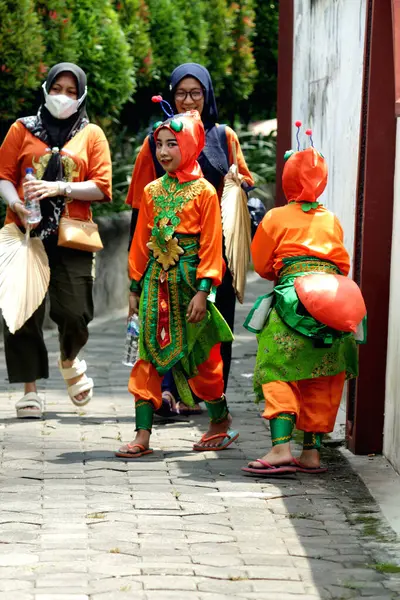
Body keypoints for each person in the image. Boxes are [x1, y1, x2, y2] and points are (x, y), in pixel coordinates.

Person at [126, 63, 254, 415]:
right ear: (170, 96)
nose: (188, 100)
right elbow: (141, 203)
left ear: (207, 95)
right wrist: (134, 274)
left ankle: (209, 398)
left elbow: (243, 179)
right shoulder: (158, 138)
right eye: (180, 93)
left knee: (212, 325)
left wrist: (235, 184)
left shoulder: (223, 136)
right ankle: (166, 393)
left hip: (216, 245)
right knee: (163, 320)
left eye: (195, 92)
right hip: (166, 251)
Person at [116, 109, 239, 458]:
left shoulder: (205, 193)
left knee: (202, 360)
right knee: (147, 357)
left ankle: (219, 420)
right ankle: (142, 435)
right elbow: (141, 242)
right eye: (159, 144)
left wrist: (204, 291)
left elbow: (213, 246)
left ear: (192, 143)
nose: (165, 152)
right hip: (156, 286)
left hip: (189, 288)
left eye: (173, 143)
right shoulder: (152, 191)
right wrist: (134, 288)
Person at [242, 135, 359, 476]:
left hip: (292, 301)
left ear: (288, 178)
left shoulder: (276, 217)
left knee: (277, 368)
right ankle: (311, 453)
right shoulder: (331, 220)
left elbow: (262, 264)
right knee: (323, 373)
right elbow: (343, 264)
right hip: (334, 301)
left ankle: (280, 448)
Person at [0, 62, 112, 418]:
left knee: (75, 310)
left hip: (72, 233)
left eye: (71, 90)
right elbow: (3, 175)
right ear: (46, 88)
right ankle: (29, 390)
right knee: (23, 312)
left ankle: (69, 358)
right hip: (25, 231)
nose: (63, 96)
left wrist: (60, 187)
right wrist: (16, 201)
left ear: (81, 95)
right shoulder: (22, 129)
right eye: (57, 88)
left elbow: (102, 187)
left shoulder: (91, 134)